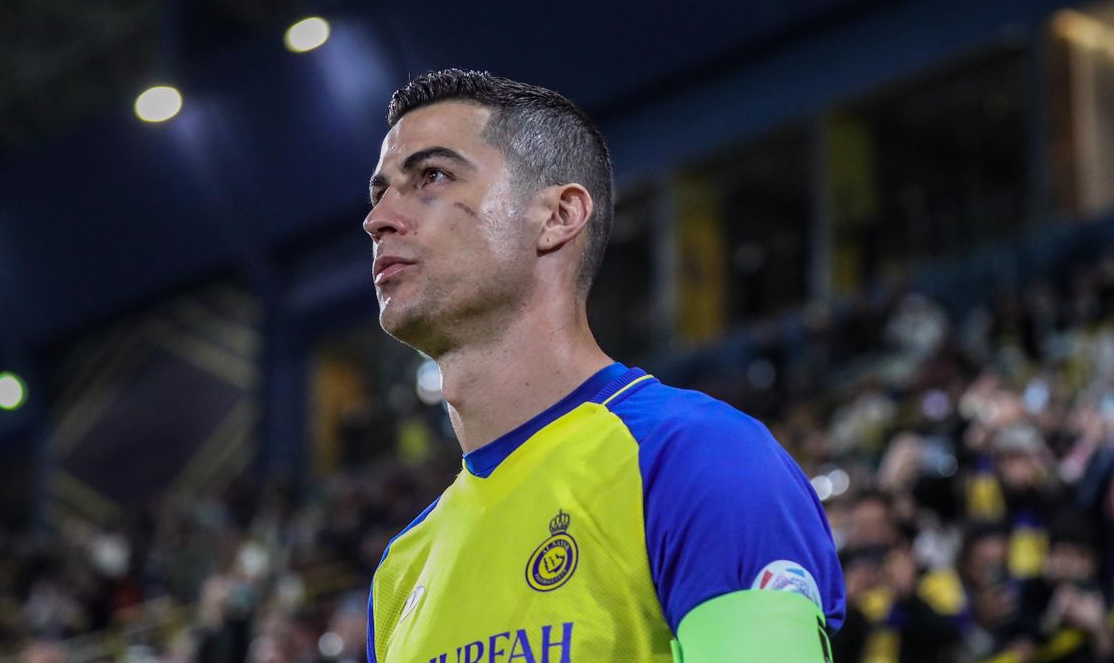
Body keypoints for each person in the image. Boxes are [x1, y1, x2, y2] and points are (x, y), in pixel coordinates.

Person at [362, 68, 845, 663]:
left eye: (432, 176)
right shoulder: (401, 571)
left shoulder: (697, 456)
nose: (378, 219)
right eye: (380, 193)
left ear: (559, 216)